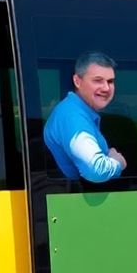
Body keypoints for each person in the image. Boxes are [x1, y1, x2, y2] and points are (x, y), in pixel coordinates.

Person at [43, 51, 127, 182]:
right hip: (69, 193)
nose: (106, 88)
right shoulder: (72, 116)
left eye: (110, 81)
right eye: (98, 81)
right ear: (77, 81)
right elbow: (96, 170)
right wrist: (118, 162)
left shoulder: (78, 111)